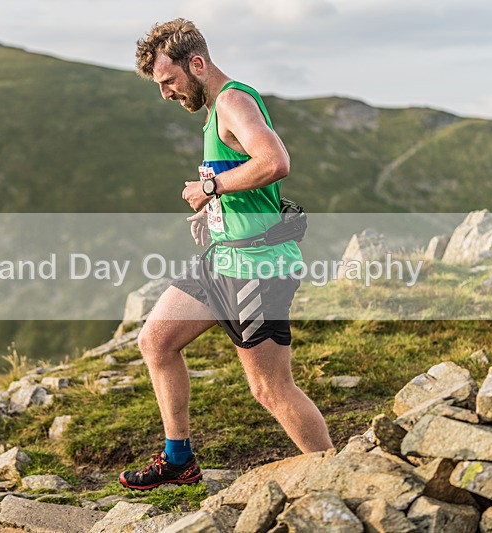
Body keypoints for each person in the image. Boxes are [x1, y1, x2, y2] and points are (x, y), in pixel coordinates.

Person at [120, 18, 333, 491]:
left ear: (197, 63)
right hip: (225, 258)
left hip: (259, 268)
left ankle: (338, 475)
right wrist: (217, 205)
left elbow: (274, 162)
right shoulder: (216, 107)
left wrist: (209, 186)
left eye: (169, 81)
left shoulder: (234, 100)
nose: (167, 94)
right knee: (156, 342)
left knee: (270, 389)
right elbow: (253, 178)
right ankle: (179, 460)